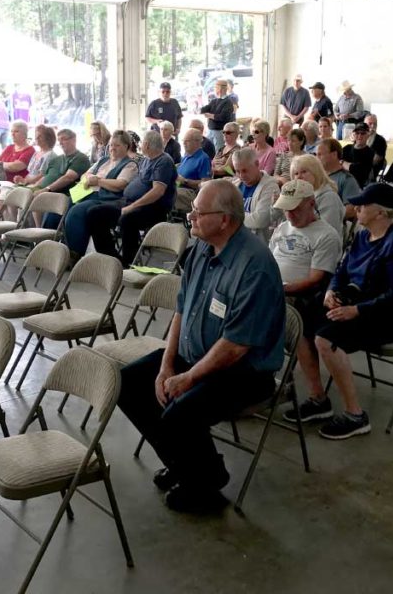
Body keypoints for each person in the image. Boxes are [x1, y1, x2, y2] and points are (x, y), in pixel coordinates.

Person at [117, 180, 285, 512]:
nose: (189, 216)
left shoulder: (254, 266)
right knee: (130, 383)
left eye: (198, 211)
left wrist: (188, 377)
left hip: (243, 372)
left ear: (224, 219)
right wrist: (167, 365)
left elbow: (236, 346)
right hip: (197, 357)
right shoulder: (200, 250)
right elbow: (183, 310)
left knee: (181, 411)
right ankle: (191, 467)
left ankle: (203, 489)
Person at [286, 183, 393, 439]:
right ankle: (318, 400)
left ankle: (355, 415)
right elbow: (341, 271)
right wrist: (331, 292)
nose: (356, 208)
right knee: (301, 320)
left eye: (362, 205)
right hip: (358, 303)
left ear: (381, 213)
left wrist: (357, 310)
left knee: (326, 338)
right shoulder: (362, 235)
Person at [269, 179, 344, 353]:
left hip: (300, 297)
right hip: (272, 288)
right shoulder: (282, 228)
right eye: (286, 209)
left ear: (311, 203)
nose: (289, 215)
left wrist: (279, 289)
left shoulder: (326, 235)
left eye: (295, 209)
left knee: (252, 309)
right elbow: (267, 261)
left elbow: (315, 280)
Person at [86, 130, 176, 266]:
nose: (139, 146)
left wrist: (132, 207)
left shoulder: (164, 161)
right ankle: (111, 258)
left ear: (146, 144)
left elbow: (157, 192)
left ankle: (128, 263)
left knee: (127, 219)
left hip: (152, 208)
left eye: (141, 144)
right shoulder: (146, 160)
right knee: (94, 212)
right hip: (128, 201)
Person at [62, 130, 139, 258]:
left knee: (77, 212)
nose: (112, 148)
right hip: (88, 192)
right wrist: (88, 179)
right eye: (111, 145)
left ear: (126, 146)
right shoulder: (103, 160)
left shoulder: (130, 165)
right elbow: (85, 175)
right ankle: (62, 247)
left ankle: (75, 253)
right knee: (65, 205)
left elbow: (120, 185)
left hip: (107, 198)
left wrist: (98, 180)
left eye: (117, 145)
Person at [38, 129, 91, 228]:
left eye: (64, 139)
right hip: (46, 193)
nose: (61, 143)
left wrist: (47, 189)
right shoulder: (56, 159)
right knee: (23, 196)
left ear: (73, 140)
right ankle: (29, 236)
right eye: (59, 140)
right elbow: (45, 176)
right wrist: (34, 187)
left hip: (63, 195)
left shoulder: (81, 158)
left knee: (40, 202)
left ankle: (40, 237)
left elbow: (69, 178)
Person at [231, 148, 279, 242]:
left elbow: (259, 220)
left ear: (257, 164)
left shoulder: (270, 187)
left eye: (245, 171)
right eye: (237, 171)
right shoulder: (236, 185)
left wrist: (232, 216)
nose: (241, 175)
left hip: (257, 244)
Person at [290, 155, 344, 233]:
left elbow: (328, 232)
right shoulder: (297, 197)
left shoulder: (329, 197)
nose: (299, 177)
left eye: (304, 172)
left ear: (316, 172)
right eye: (296, 173)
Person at [174, 128, 212, 214]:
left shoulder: (203, 158)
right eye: (183, 140)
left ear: (197, 142)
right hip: (179, 188)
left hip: (191, 193)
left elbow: (205, 183)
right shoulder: (186, 156)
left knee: (168, 192)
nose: (183, 143)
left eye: (187, 141)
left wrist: (185, 181)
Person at [199, 78, 235, 151]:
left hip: (219, 131)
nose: (214, 89)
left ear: (221, 88)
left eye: (215, 87)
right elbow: (206, 108)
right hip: (210, 130)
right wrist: (200, 108)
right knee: (207, 148)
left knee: (218, 151)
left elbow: (223, 117)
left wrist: (210, 116)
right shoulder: (214, 100)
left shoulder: (228, 102)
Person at [342, 122, 376, 188]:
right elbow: (335, 163)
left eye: (362, 133)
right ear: (354, 135)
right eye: (357, 133)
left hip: (358, 185)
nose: (359, 136)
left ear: (368, 135)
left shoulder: (370, 152)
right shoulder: (347, 148)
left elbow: (358, 170)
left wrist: (342, 163)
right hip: (343, 181)